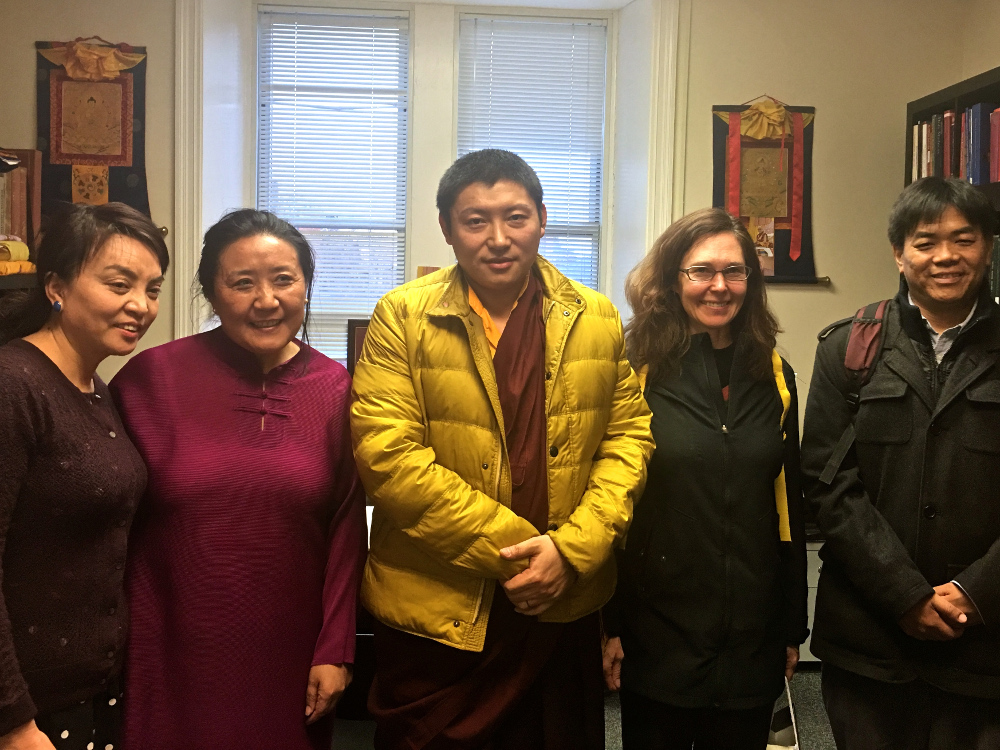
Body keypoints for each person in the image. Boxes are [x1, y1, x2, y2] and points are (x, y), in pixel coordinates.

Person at [350, 148, 654, 750]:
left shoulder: (594, 316)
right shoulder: (403, 317)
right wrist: (521, 556)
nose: (497, 238)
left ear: (542, 218)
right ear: (446, 229)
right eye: (475, 220)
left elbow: (629, 438)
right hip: (439, 606)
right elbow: (388, 458)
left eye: (515, 217)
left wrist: (569, 554)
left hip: (562, 603)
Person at [109, 209, 367, 750]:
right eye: (242, 283)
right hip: (166, 650)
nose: (266, 300)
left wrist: (335, 649)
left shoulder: (339, 390)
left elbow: (347, 528)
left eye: (283, 279)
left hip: (292, 656)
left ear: (305, 286)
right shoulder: (149, 381)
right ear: (211, 291)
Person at [800, 176, 1000, 750]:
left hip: (986, 647)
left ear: (987, 247)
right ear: (898, 251)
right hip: (869, 643)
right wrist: (906, 594)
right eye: (925, 240)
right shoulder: (848, 347)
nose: (945, 256)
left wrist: (974, 591)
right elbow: (828, 483)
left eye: (964, 240)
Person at [601, 207, 809, 750]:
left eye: (734, 271)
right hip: (658, 636)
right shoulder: (633, 369)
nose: (719, 286)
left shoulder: (776, 375)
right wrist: (609, 623)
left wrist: (792, 627)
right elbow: (611, 504)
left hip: (751, 639)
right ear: (673, 279)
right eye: (701, 271)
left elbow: (788, 505)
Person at [0, 202, 168, 750]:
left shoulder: (100, 393)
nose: (140, 306)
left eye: (152, 289)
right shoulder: (14, 385)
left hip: (89, 692)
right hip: (28, 710)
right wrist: (13, 721)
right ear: (57, 286)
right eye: (119, 283)